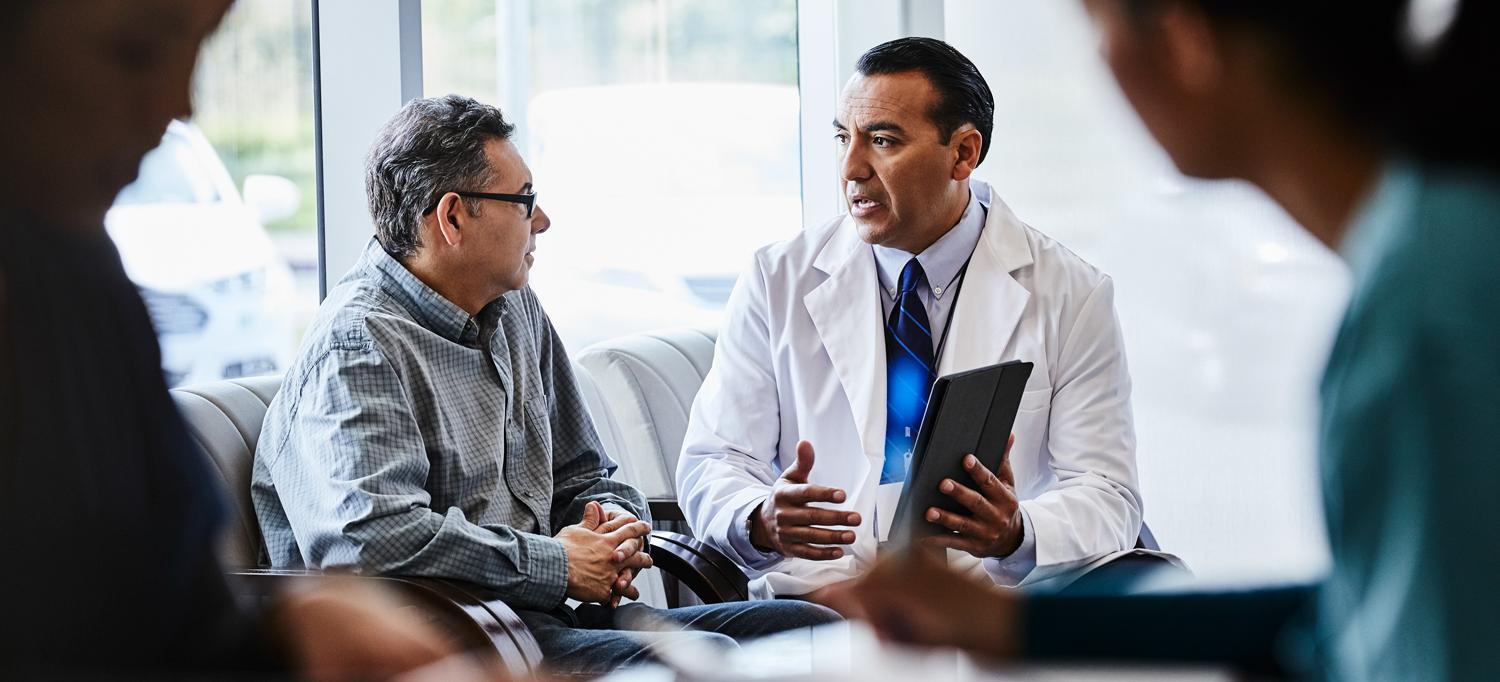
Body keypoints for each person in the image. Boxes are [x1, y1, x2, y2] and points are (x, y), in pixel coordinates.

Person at [841, 0, 1500, 678]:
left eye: (1096, 29)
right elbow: (1355, 612)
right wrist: (1017, 622)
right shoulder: (1443, 241)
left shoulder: (1425, 316)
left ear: (1186, 43)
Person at [251, 94, 839, 678]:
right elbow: (370, 541)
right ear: (453, 216)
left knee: (814, 631)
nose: (542, 221)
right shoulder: (357, 345)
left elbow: (585, 473)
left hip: (542, 620)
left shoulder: (514, 307)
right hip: (451, 645)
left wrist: (610, 529)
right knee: (705, 667)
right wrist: (557, 563)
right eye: (524, 200)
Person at [0, 0, 458, 678]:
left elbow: (175, 619)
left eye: (198, 52)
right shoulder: (358, 338)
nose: (176, 107)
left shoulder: (85, 283)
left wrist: (295, 628)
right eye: (134, 52)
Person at [677, 36, 1162, 603]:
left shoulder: (1071, 294)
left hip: (988, 611)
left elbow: (1107, 494)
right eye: (843, 138)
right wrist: (759, 518)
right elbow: (716, 459)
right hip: (821, 603)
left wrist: (1015, 533)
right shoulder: (777, 277)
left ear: (963, 153)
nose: (851, 168)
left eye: (882, 141)